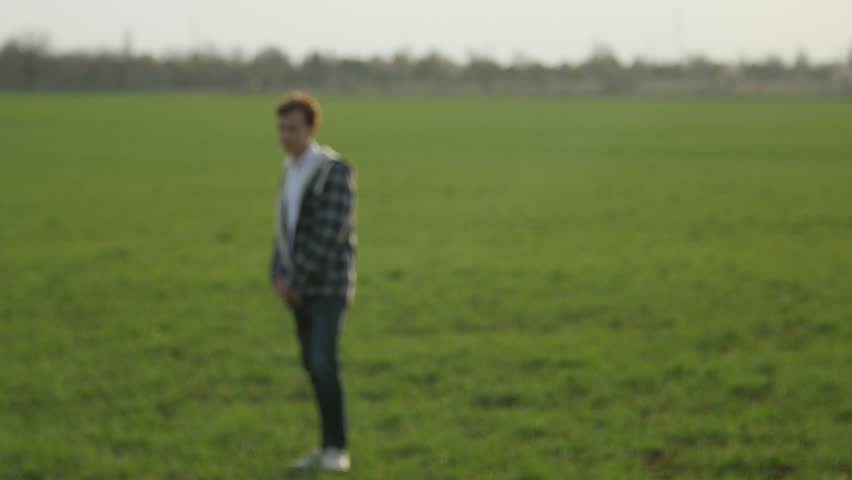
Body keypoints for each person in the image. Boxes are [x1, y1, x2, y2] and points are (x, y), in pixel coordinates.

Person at [269, 92, 357, 472]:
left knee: (323, 362)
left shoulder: (333, 171)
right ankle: (323, 447)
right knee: (311, 364)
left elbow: (329, 235)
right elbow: (284, 228)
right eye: (281, 129)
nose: (285, 136)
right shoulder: (289, 170)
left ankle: (336, 448)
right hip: (296, 288)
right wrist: (276, 273)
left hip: (327, 288)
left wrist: (296, 278)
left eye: (292, 129)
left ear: (311, 128)